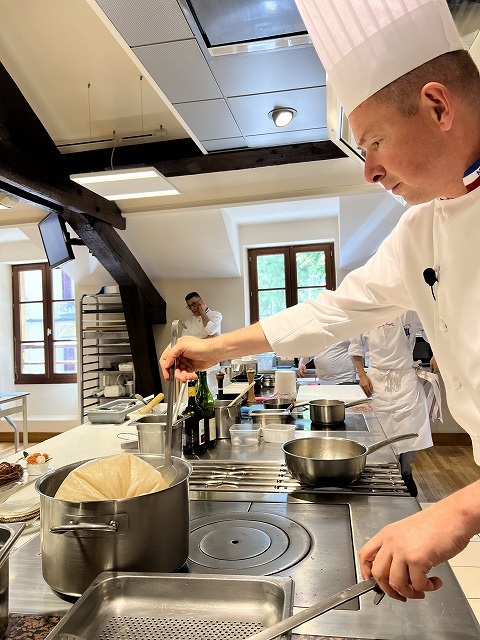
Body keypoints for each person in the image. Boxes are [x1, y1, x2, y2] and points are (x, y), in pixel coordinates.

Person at [161, 0, 480, 603]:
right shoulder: (421, 229)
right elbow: (333, 310)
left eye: (375, 142)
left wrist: (460, 511)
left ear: (438, 106)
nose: (369, 171)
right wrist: (212, 349)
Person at [348, 311, 434, 497]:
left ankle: (406, 472)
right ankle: (385, 474)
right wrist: (362, 375)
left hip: (406, 379)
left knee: (409, 430)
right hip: (377, 381)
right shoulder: (366, 312)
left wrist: (437, 354)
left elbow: (433, 329)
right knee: (381, 432)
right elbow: (356, 348)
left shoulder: (409, 311)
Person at [183, 292, 222, 392]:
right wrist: (208, 339)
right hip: (194, 366)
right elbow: (184, 345)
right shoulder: (188, 323)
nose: (192, 308)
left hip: (212, 366)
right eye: (189, 306)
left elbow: (211, 331)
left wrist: (203, 313)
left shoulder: (216, 315)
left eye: (194, 304)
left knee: (213, 395)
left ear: (201, 302)